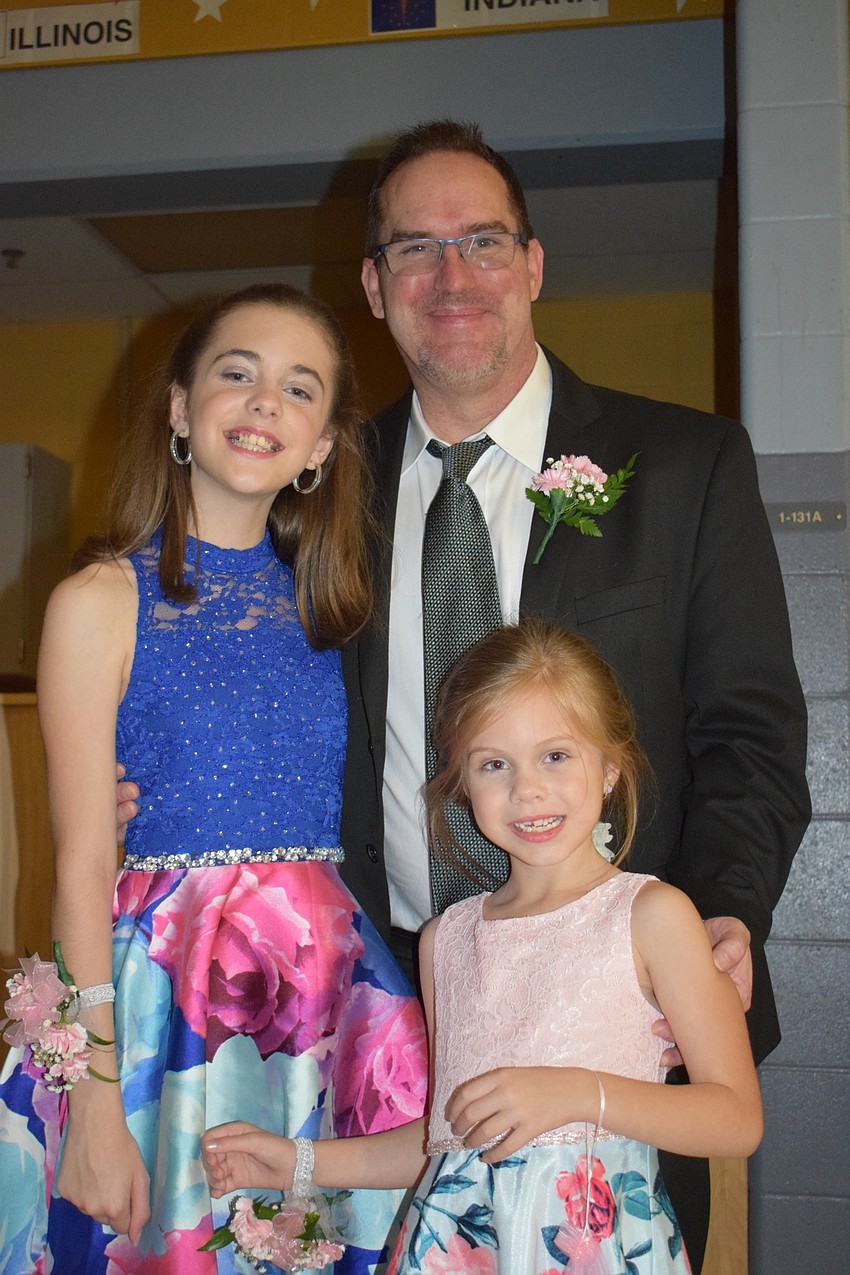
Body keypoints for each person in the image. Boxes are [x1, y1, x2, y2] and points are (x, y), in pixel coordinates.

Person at [329, 119, 810, 1270]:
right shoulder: (324, 491)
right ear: (374, 284)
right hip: (386, 1000)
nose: (453, 276)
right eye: (416, 248)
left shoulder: (685, 468)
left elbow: (749, 732)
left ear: (534, 266)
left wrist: (720, 912)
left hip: (618, 1029)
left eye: (484, 241)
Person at [0, 283, 427, 1275]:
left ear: (322, 445)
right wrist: (96, 1103)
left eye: (298, 389)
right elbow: (77, 867)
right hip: (162, 1003)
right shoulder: (98, 599)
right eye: (237, 374)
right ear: (182, 409)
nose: (264, 403)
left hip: (327, 1002)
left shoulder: (339, 613)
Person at [202, 618, 764, 1275]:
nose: (527, 788)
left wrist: (581, 1094)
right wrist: (300, 1159)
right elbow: (444, 1139)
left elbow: (735, 1117)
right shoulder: (449, 940)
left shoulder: (652, 914)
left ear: (610, 766)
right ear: (463, 782)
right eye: (494, 764)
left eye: (556, 755)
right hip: (459, 1251)